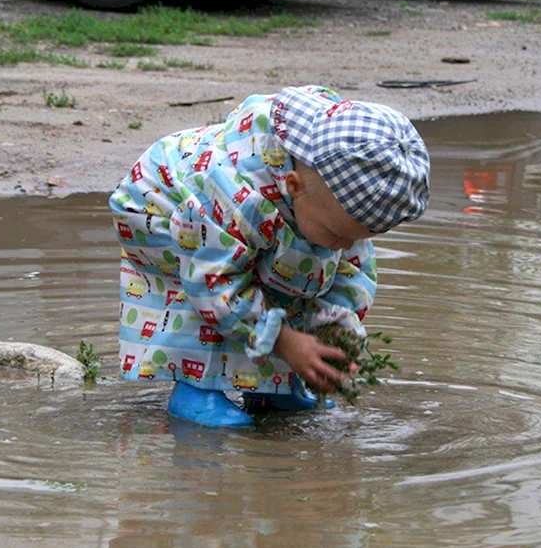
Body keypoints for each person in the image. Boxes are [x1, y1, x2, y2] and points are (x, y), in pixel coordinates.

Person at [109, 84, 430, 427]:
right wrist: (284, 340)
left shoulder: (334, 208)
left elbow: (352, 267)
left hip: (257, 221)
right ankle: (196, 389)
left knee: (298, 270)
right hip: (162, 210)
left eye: (354, 238)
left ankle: (270, 388)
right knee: (208, 287)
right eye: (336, 234)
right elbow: (213, 281)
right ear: (293, 186)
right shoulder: (234, 194)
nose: (340, 247)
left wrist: (334, 322)